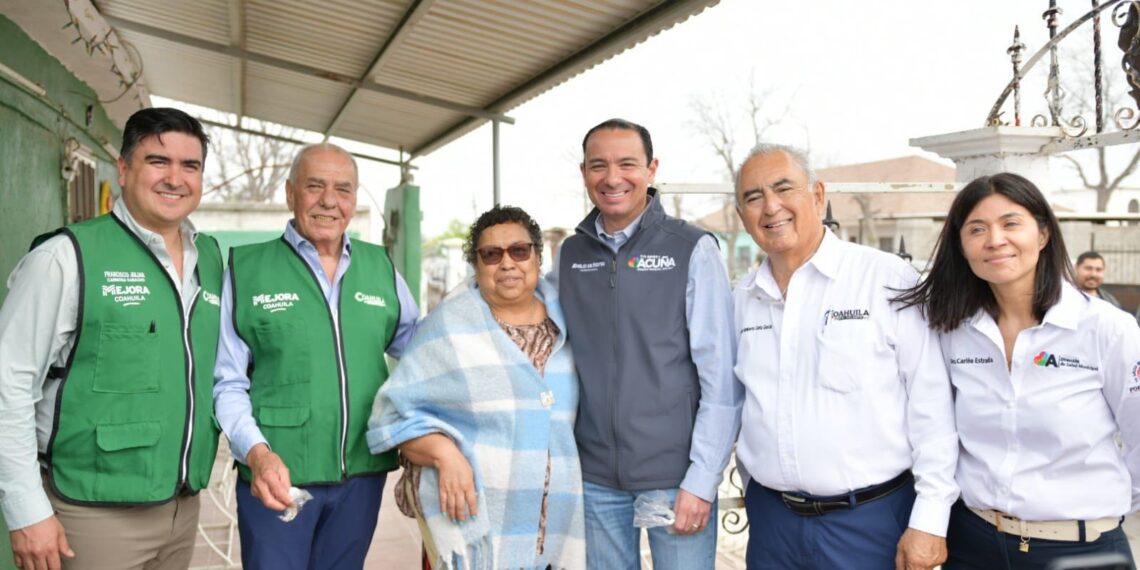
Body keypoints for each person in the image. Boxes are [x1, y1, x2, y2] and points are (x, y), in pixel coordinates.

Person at [0, 107, 221, 570]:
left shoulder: (211, 260)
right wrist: (26, 511)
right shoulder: (66, 257)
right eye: (158, 161)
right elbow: (8, 383)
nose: (175, 178)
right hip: (91, 513)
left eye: (190, 165)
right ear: (123, 169)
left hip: (181, 507)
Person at [894, 172, 1140, 569]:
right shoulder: (952, 330)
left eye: (1011, 223)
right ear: (961, 244)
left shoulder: (1105, 328)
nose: (995, 239)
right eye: (977, 229)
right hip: (973, 544)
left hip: (1082, 550)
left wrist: (1097, 509)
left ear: (1042, 234)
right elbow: (935, 429)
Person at [732, 143, 959, 570]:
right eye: (753, 196)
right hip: (772, 527)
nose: (771, 207)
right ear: (742, 214)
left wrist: (930, 520)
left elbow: (932, 407)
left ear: (818, 196)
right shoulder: (742, 299)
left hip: (870, 523)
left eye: (784, 188)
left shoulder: (887, 279)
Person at [212, 143, 420, 569]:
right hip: (277, 475)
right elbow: (227, 382)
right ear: (290, 194)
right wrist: (257, 453)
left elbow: (424, 355)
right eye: (315, 186)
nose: (329, 201)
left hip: (361, 475)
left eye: (343, 189)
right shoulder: (247, 269)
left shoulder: (379, 267)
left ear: (354, 199)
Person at [555, 119, 740, 569]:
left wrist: (702, 478)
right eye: (599, 165)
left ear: (652, 169)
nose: (612, 178)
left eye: (627, 164)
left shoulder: (692, 248)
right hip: (596, 475)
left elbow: (722, 378)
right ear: (584, 173)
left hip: (674, 477)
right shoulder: (572, 255)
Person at [367, 205, 585, 569]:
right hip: (478, 530)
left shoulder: (571, 322)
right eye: (491, 254)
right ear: (476, 264)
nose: (507, 263)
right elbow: (390, 418)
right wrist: (445, 454)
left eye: (519, 250)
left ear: (537, 256)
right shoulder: (447, 329)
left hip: (558, 526)